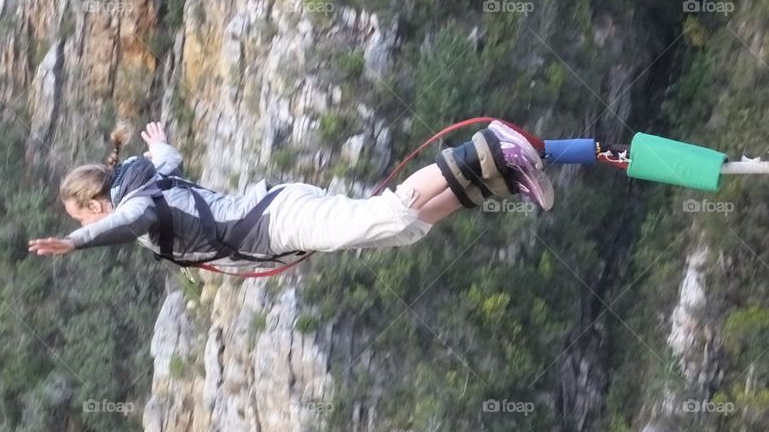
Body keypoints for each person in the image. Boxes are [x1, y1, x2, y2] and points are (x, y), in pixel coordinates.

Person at [27, 120, 553, 268]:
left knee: (389, 214)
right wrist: (162, 144)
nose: (84, 222)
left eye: (82, 216)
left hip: (278, 219)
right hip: (276, 220)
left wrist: (77, 243)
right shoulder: (146, 176)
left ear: (94, 205)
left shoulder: (135, 206)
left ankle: (489, 147)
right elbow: (169, 160)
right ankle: (496, 176)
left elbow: (124, 224)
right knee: (405, 231)